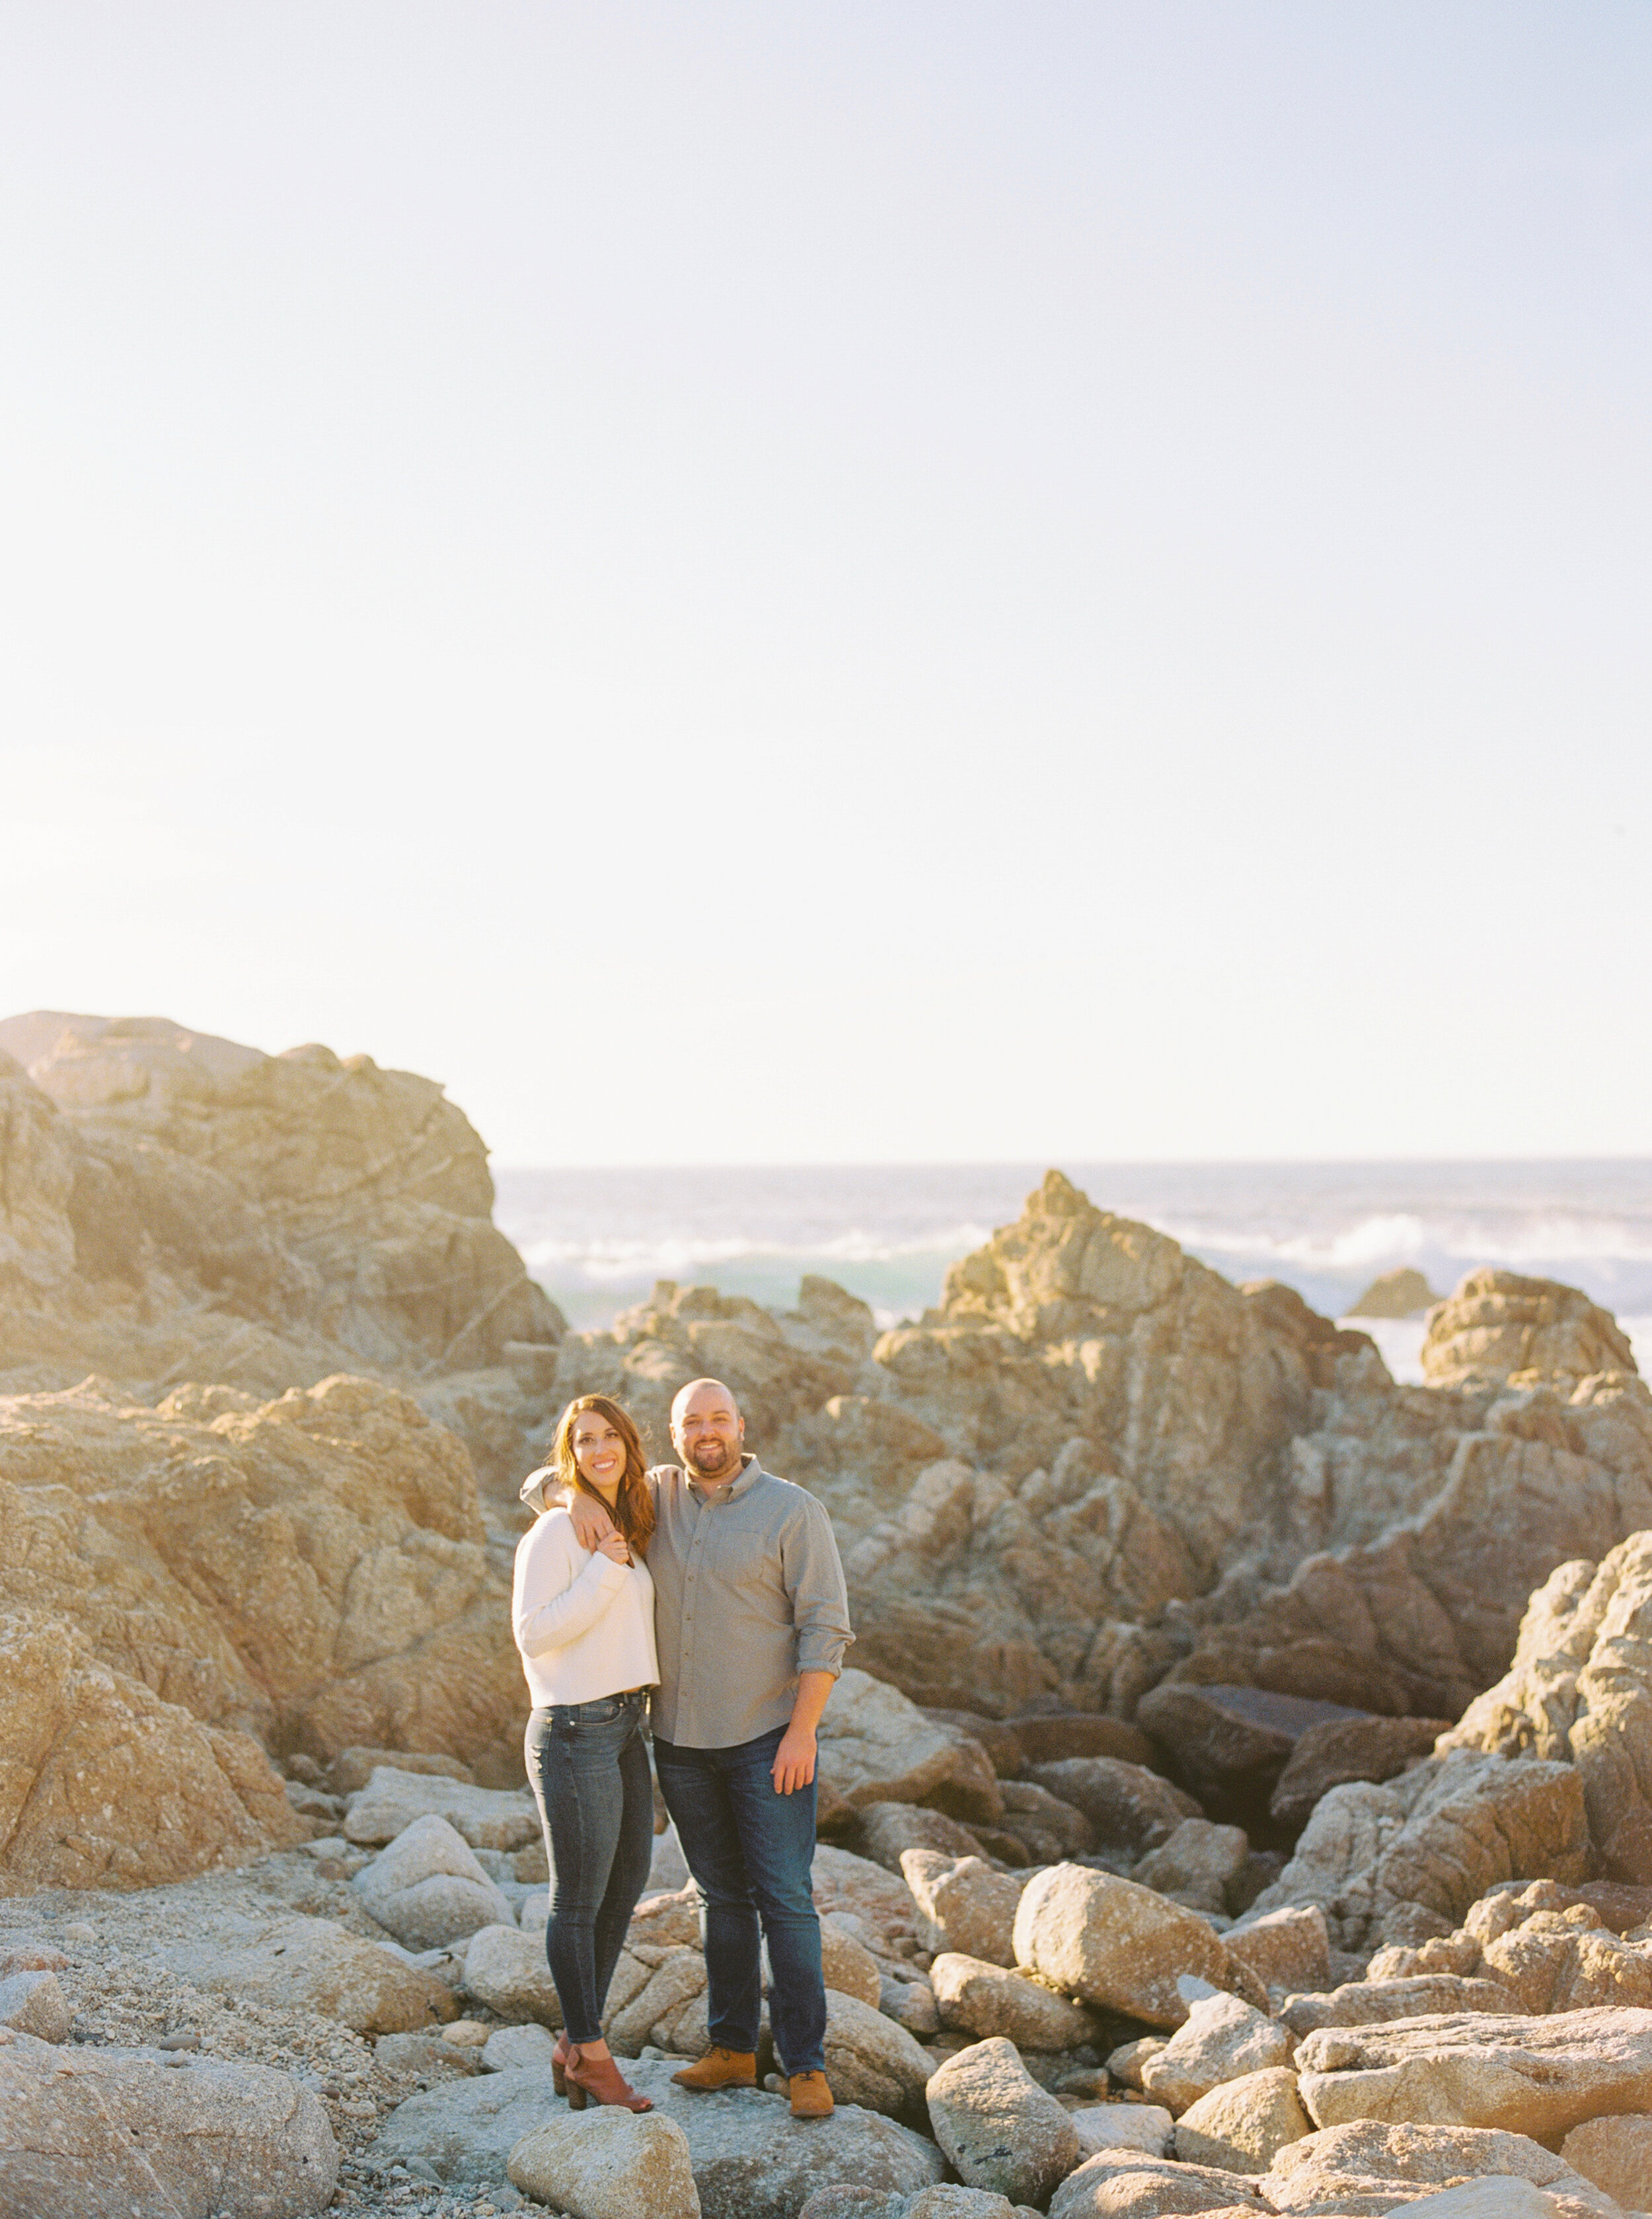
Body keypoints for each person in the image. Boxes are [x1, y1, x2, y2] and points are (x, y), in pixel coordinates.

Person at [563, 1375, 853, 2118]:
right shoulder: (653, 1495)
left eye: (717, 1418)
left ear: (740, 1424)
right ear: (673, 1433)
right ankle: (730, 2049)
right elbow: (556, 1471)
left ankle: (804, 2065)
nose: (706, 1432)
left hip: (767, 1741)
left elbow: (826, 1628)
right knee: (721, 1898)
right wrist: (575, 1499)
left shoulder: (793, 1509)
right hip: (682, 1744)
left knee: (786, 1901)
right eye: (692, 1422)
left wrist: (802, 1732)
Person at [513, 1392, 659, 2112]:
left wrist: (590, 1521)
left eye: (611, 1437)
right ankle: (595, 2056)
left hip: (628, 1722)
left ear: (631, 1445)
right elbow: (534, 1634)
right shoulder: (552, 1535)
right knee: (576, 1898)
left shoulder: (629, 1513)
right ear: (567, 1453)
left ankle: (573, 2045)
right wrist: (602, 1564)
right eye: (584, 1441)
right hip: (574, 1728)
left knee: (626, 1884)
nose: (600, 1449)